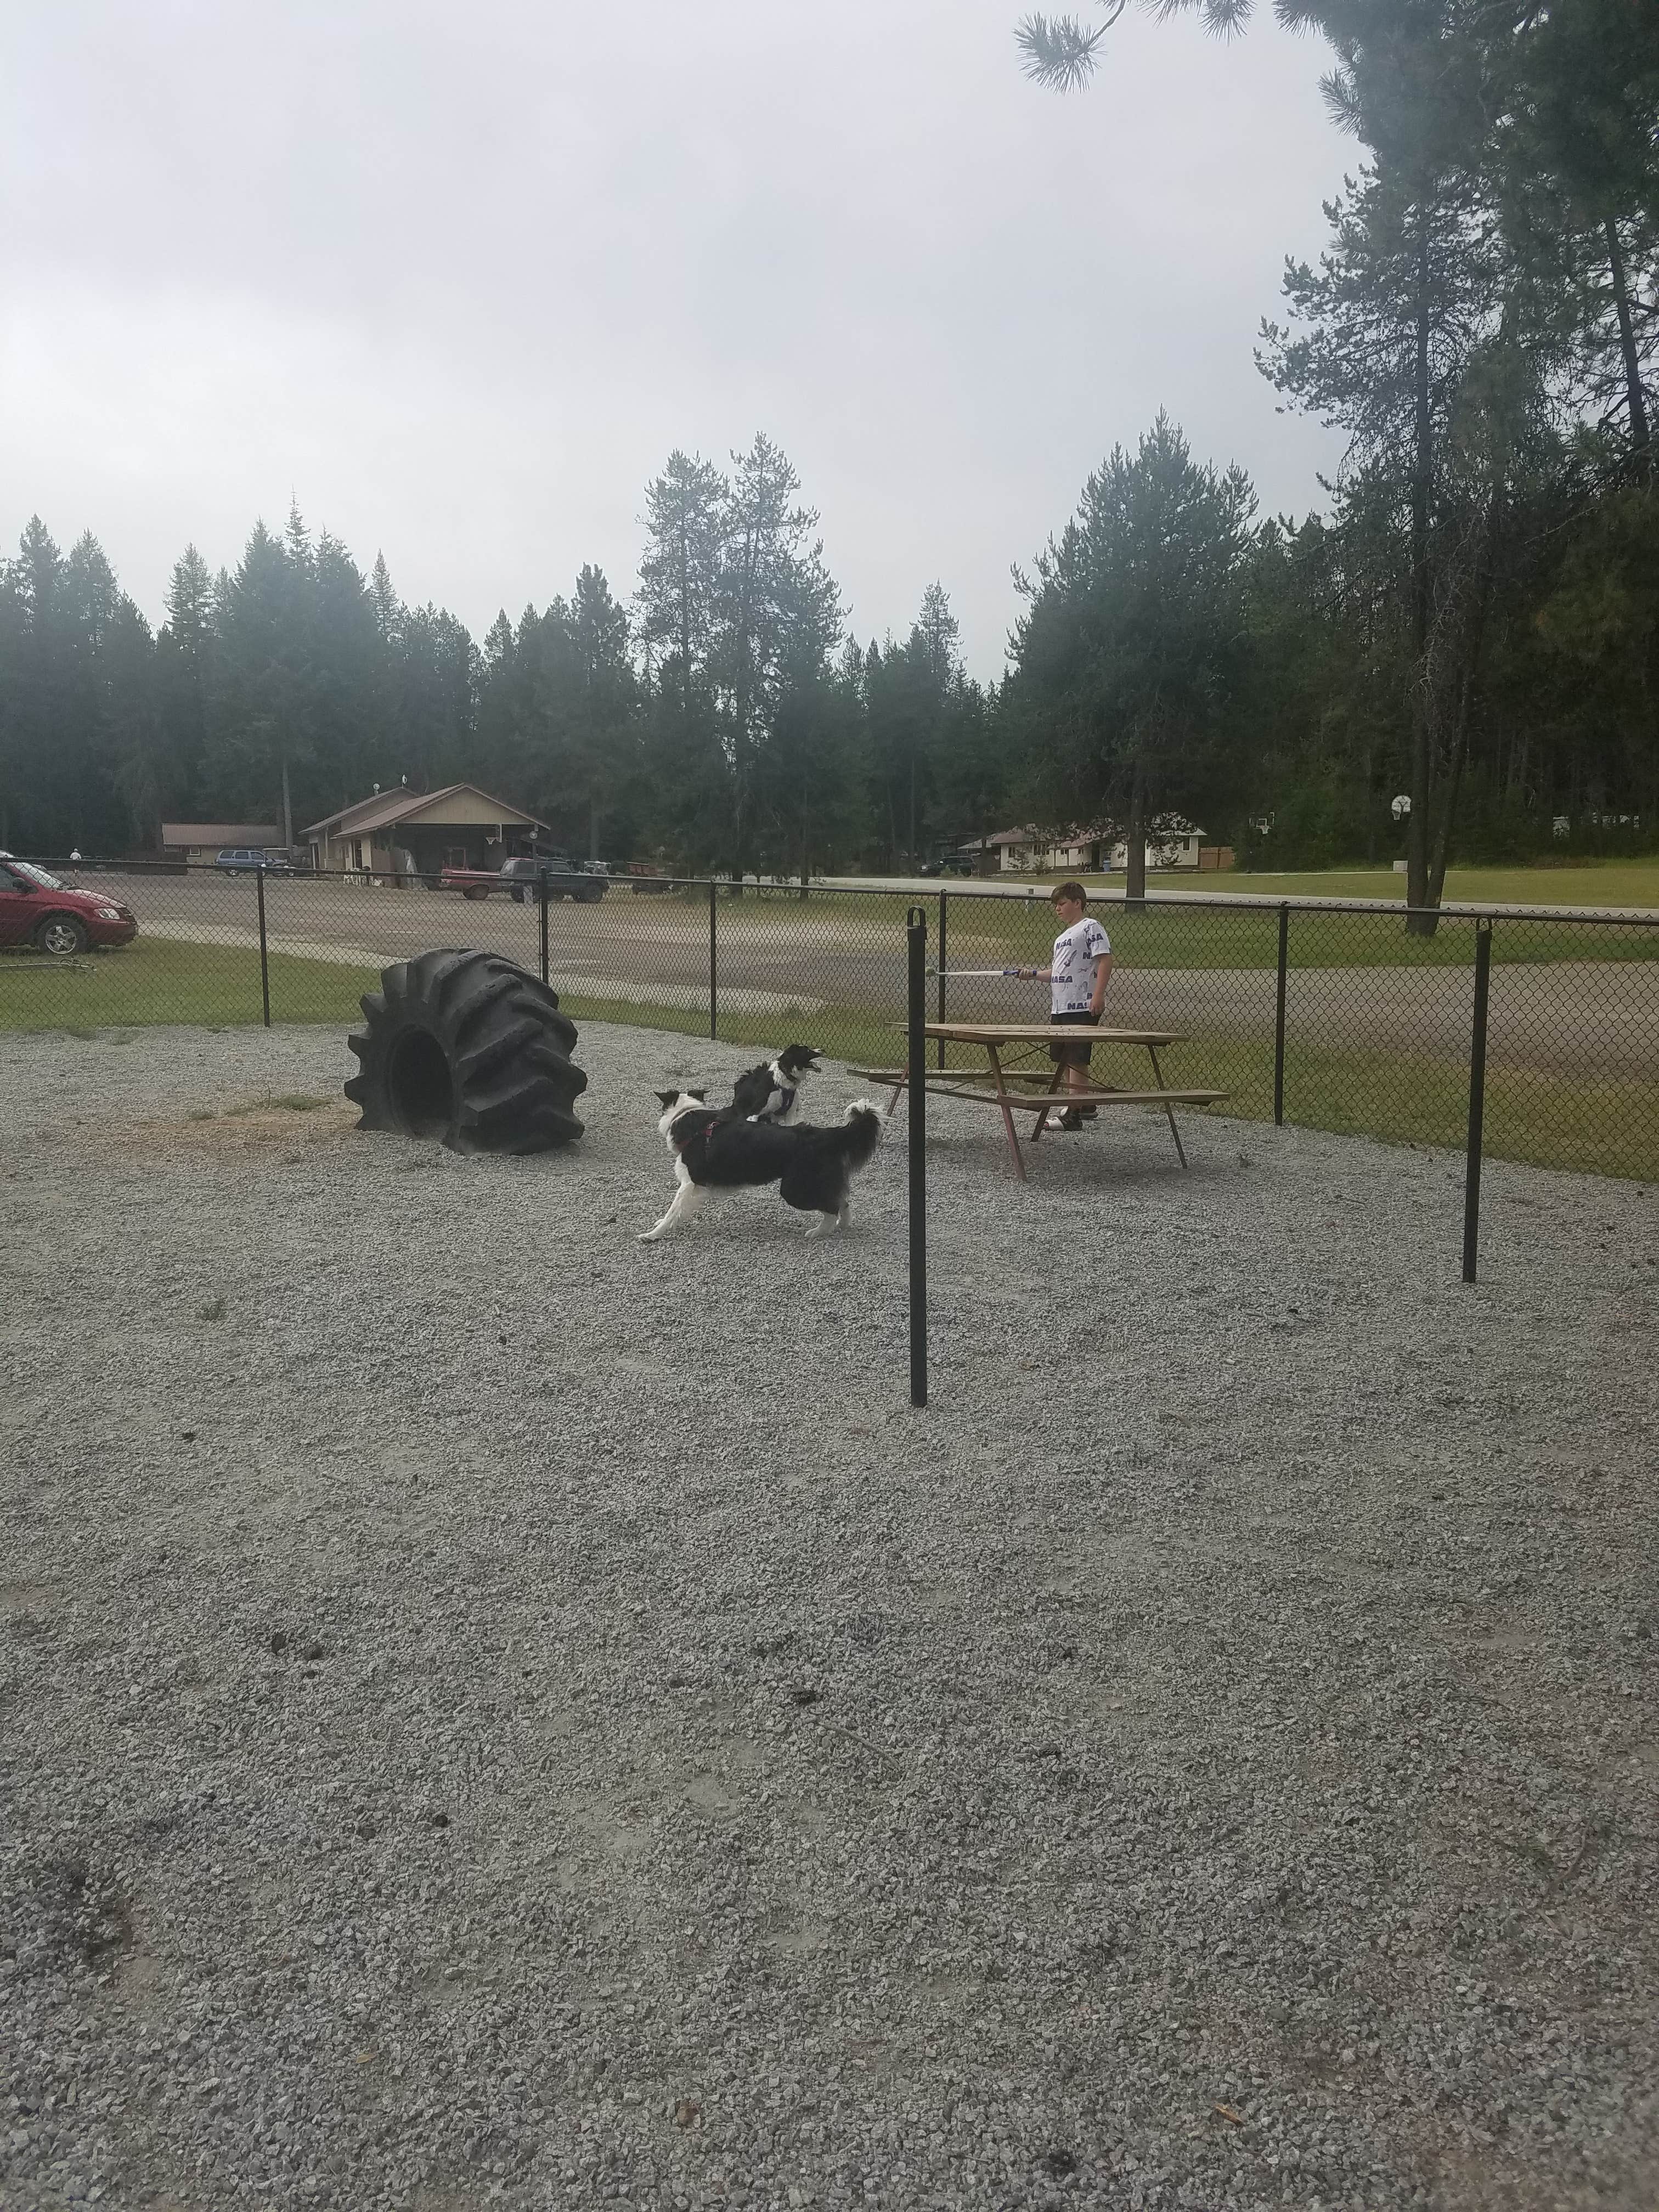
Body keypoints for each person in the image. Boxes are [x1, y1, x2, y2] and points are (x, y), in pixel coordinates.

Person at [1014, 881, 1112, 1130]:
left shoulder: (1090, 927)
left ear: (1077, 903)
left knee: (1076, 1058)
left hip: (1082, 1004)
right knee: (1065, 1059)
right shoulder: (1062, 938)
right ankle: (1084, 1104)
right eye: (1055, 906)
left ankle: (1073, 1115)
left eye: (1062, 904)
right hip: (1061, 1006)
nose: (1057, 909)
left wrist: (1098, 996)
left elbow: (1105, 960)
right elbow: (1057, 973)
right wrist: (1034, 974)